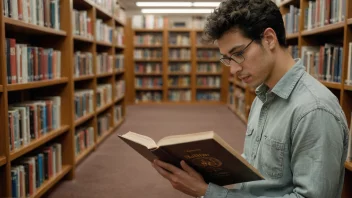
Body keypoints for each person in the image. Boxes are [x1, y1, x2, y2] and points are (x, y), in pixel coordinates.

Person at [152, 0, 349, 197]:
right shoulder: (262, 96)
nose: (234, 69)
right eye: (227, 59)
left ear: (269, 39)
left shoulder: (314, 110)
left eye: (238, 54)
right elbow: (258, 168)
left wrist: (208, 192)